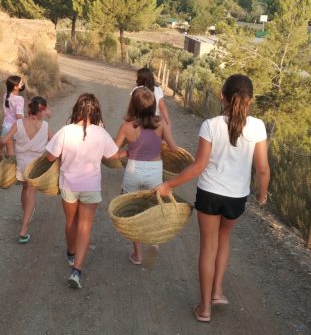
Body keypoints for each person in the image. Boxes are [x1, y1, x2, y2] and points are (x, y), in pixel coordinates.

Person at [156, 74, 270, 323]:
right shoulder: (258, 127)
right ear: (250, 101)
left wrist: (169, 184)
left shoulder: (211, 125)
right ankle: (217, 292)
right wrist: (261, 196)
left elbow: (198, 167)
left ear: (222, 96)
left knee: (208, 247)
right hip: (236, 198)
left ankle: (205, 308)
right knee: (224, 239)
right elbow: (262, 169)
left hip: (209, 193)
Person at [45, 93, 125, 289]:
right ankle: (77, 271)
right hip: (90, 186)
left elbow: (49, 157)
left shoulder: (65, 131)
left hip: (68, 185)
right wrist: (128, 151)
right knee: (85, 226)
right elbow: (114, 155)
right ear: (97, 111)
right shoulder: (101, 133)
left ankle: (71, 254)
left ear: (77, 109)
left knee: (71, 222)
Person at [114, 87, 178, 265]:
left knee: (133, 210)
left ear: (132, 105)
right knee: (152, 206)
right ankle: (153, 239)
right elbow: (174, 148)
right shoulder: (161, 125)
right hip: (155, 170)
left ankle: (138, 255)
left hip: (134, 169)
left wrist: (125, 154)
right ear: (153, 105)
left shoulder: (127, 127)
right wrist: (160, 143)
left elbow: (111, 153)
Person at [0, 96, 52, 243]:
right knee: (31, 193)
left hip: (21, 162)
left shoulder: (19, 123)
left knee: (25, 189)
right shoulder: (45, 126)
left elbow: (4, 140)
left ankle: (26, 214)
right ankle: (23, 230)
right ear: (42, 110)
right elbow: (54, 142)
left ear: (29, 108)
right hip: (35, 164)